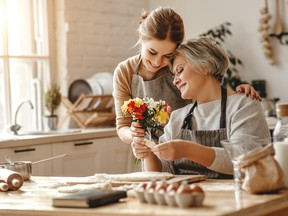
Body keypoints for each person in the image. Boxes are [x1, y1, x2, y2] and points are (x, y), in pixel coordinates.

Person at [113, 6, 261, 146]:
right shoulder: (125, 72)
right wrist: (134, 135)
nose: (157, 62)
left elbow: (210, 98)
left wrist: (236, 95)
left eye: (168, 55)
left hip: (187, 150)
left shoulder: (180, 67)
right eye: (152, 52)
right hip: (148, 151)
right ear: (141, 37)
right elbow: (122, 126)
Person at [131, 37, 271, 178]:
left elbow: (247, 159)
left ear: (205, 66)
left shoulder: (243, 105)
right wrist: (148, 155)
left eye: (180, 70)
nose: (175, 80)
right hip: (188, 197)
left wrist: (187, 149)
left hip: (234, 196)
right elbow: (163, 172)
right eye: (174, 75)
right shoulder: (177, 117)